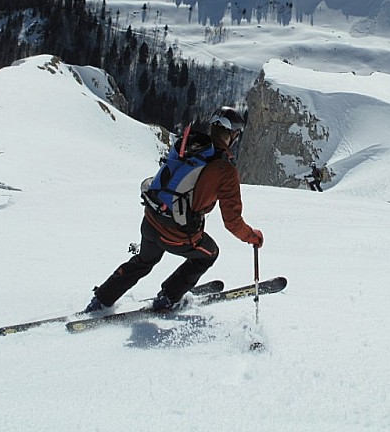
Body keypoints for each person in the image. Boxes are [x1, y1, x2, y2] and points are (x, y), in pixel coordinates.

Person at [84, 106, 264, 313]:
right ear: (233, 135)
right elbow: (232, 221)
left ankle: (101, 299)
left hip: (151, 219)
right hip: (178, 233)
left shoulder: (187, 146)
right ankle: (168, 297)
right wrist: (252, 236)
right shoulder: (225, 170)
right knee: (208, 253)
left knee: (144, 260)